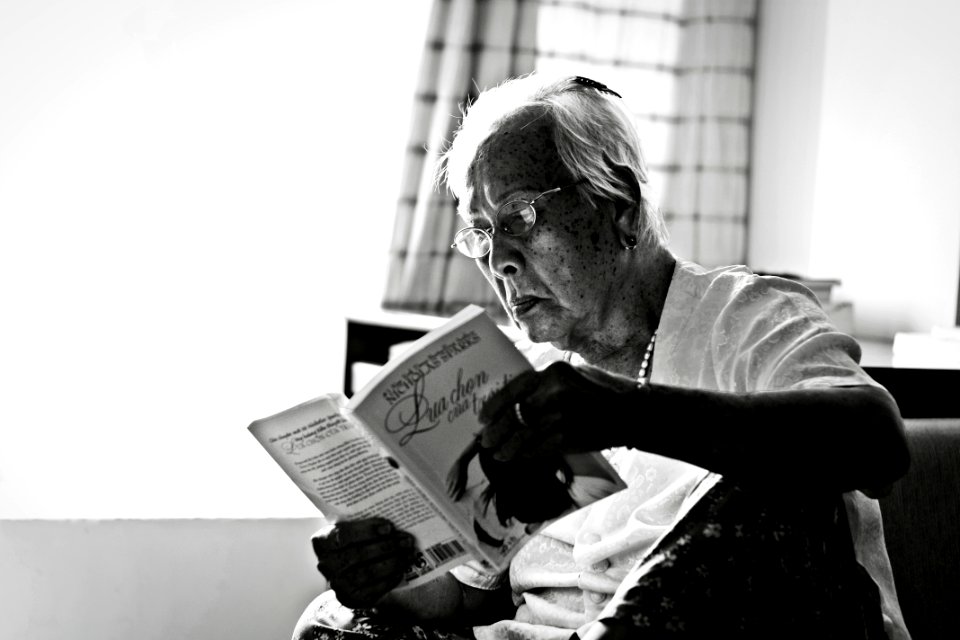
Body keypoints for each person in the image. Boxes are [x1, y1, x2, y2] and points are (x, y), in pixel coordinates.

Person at [294, 73, 911, 639]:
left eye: (520, 216)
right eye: (480, 234)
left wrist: (627, 412)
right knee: (330, 622)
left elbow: (878, 442)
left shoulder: (744, 317)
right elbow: (462, 603)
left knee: (774, 489)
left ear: (617, 204)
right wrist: (385, 571)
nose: (498, 260)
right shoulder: (509, 375)